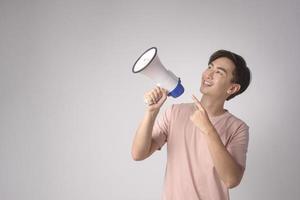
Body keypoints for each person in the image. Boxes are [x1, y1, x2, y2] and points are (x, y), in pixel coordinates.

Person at [131, 49, 251, 200]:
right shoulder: (175, 112)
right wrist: (151, 112)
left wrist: (208, 129)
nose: (208, 74)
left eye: (219, 72)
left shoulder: (238, 128)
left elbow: (231, 180)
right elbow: (138, 154)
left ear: (232, 88)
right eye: (209, 67)